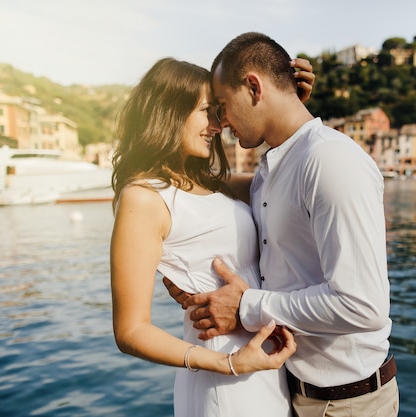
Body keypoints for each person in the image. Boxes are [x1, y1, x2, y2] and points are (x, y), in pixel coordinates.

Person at [165, 32, 399, 417]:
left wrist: (245, 308)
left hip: (348, 404)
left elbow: (363, 306)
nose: (222, 122)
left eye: (223, 106)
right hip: (293, 393)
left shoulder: (330, 161)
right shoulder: (272, 170)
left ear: (254, 87)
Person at [110, 56, 315, 417]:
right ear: (169, 112)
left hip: (264, 366)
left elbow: (283, 187)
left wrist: (286, 107)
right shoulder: (143, 198)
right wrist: (228, 363)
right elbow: (131, 331)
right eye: (208, 111)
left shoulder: (209, 183)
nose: (218, 125)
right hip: (225, 377)